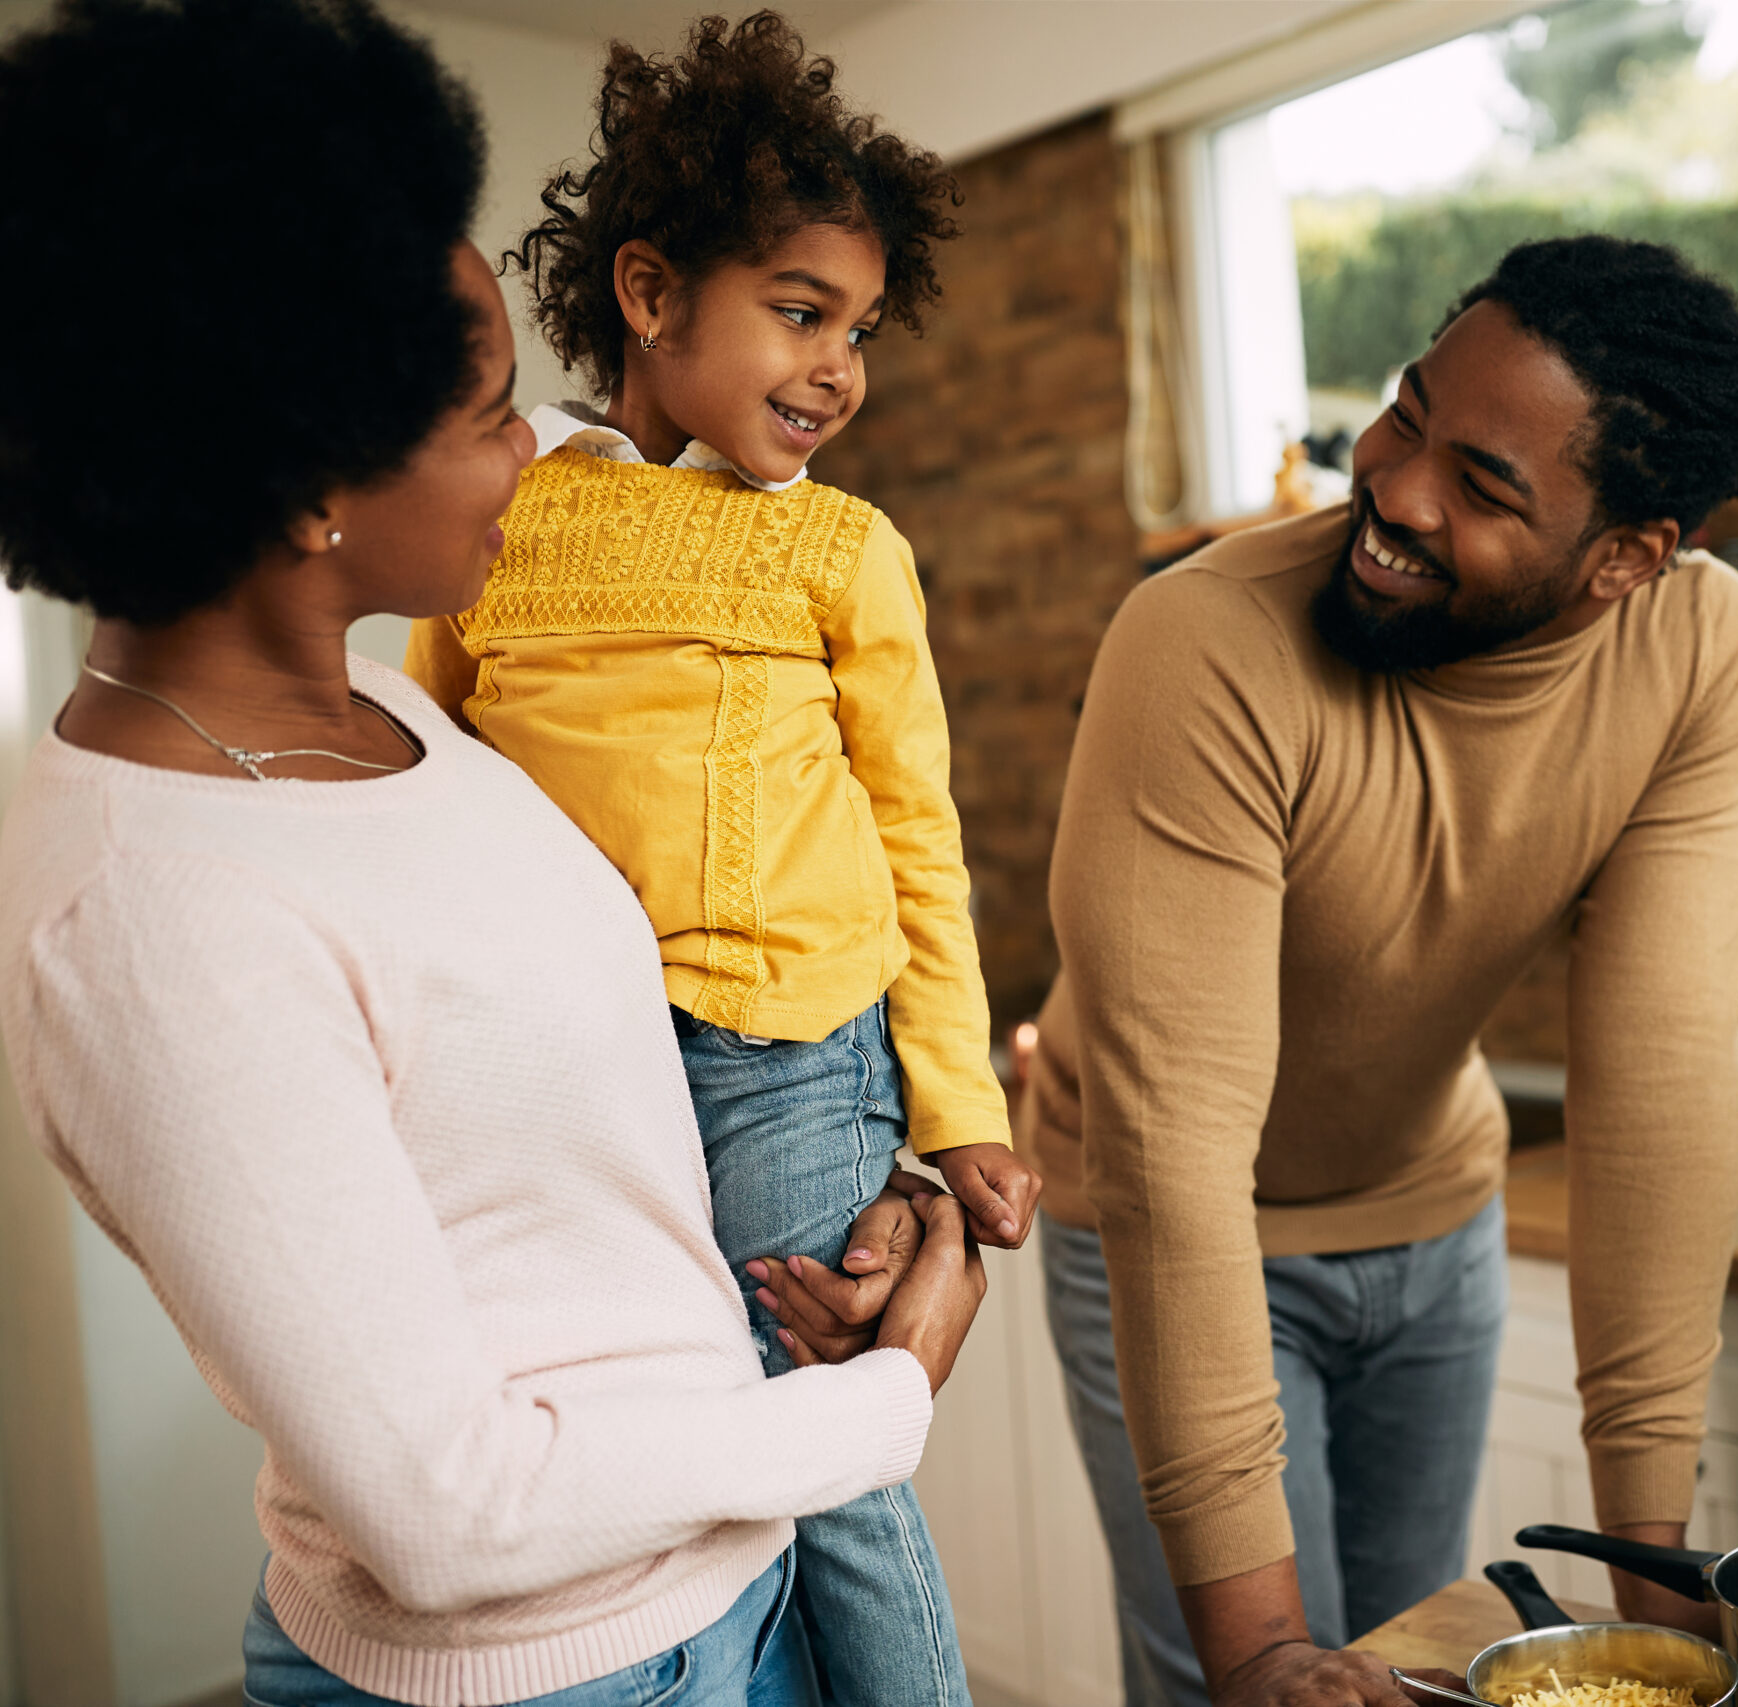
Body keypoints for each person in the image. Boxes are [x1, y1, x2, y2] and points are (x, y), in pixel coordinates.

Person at [0, 3, 983, 1703]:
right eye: (495, 408)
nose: (539, 451)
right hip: (563, 1667)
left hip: (737, 1589)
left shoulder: (396, 716)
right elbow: (450, 1509)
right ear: (308, 482)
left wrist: (875, 1154)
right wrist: (891, 1390)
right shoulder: (145, 906)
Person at [1027, 235, 1738, 1707]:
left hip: (1436, 1215)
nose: (1394, 489)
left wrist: (1650, 1569)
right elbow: (1174, 1152)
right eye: (1406, 415)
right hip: (1180, 1222)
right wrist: (1260, 1653)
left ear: (1627, 559)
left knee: (1425, 1669)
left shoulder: (1697, 647)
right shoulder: (1207, 643)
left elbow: (1657, 1080)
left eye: (1486, 487)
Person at [401, 18, 1033, 1703]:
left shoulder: (842, 547)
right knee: (667, 1453)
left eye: (860, 331)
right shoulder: (498, 518)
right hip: (573, 1063)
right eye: (802, 312)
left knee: (825, 1444)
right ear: (650, 291)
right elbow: (425, 783)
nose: (839, 368)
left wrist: (960, 1107)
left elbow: (917, 834)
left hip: (785, 1055)